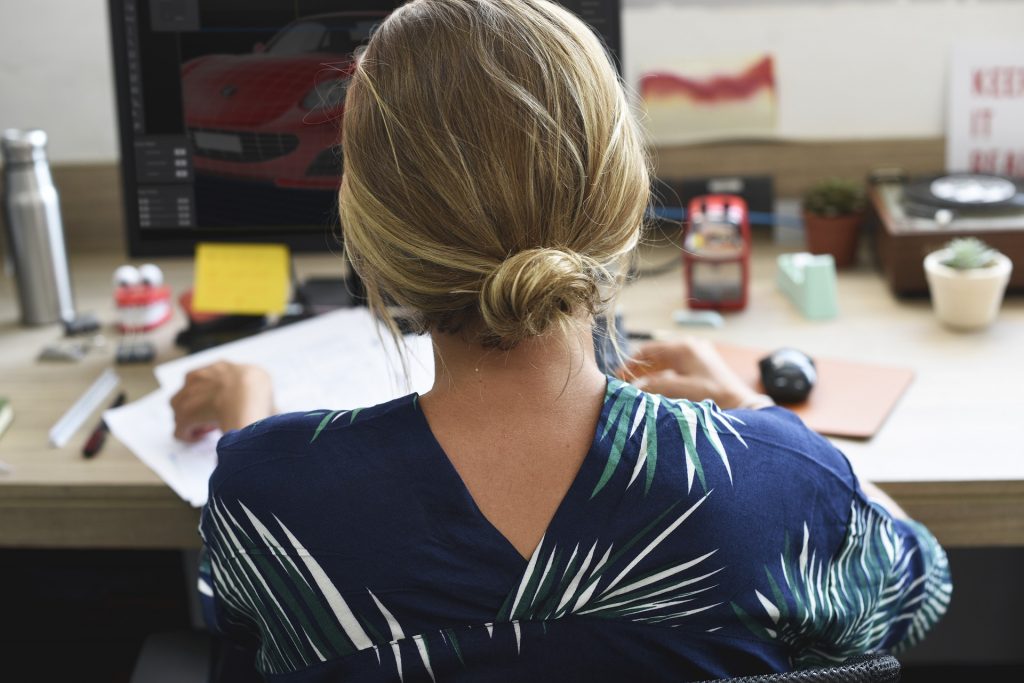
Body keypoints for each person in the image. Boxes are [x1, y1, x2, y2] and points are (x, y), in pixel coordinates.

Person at [172, 1, 951, 680]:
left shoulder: (264, 491)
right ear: (625, 202)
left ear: (368, 239)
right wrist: (755, 417)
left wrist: (249, 426)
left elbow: (236, 612)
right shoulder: (780, 483)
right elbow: (921, 589)